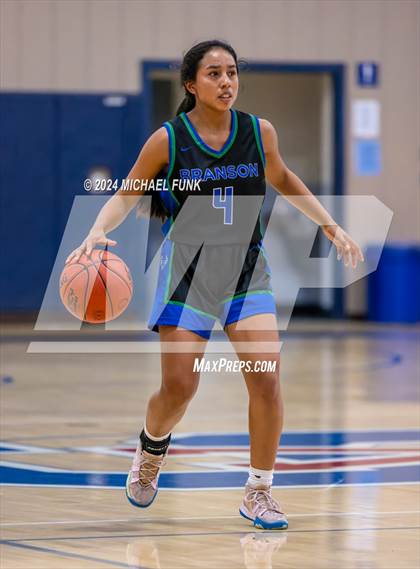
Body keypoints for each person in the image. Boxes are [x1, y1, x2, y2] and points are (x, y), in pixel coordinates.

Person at [66, 40, 364, 530]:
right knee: (180, 388)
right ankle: (151, 448)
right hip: (188, 275)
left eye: (231, 73)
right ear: (191, 84)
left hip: (246, 272)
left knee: (266, 378)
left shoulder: (258, 132)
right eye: (214, 74)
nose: (226, 82)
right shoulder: (168, 140)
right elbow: (126, 194)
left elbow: (283, 178)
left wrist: (330, 225)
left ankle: (259, 491)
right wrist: (97, 229)